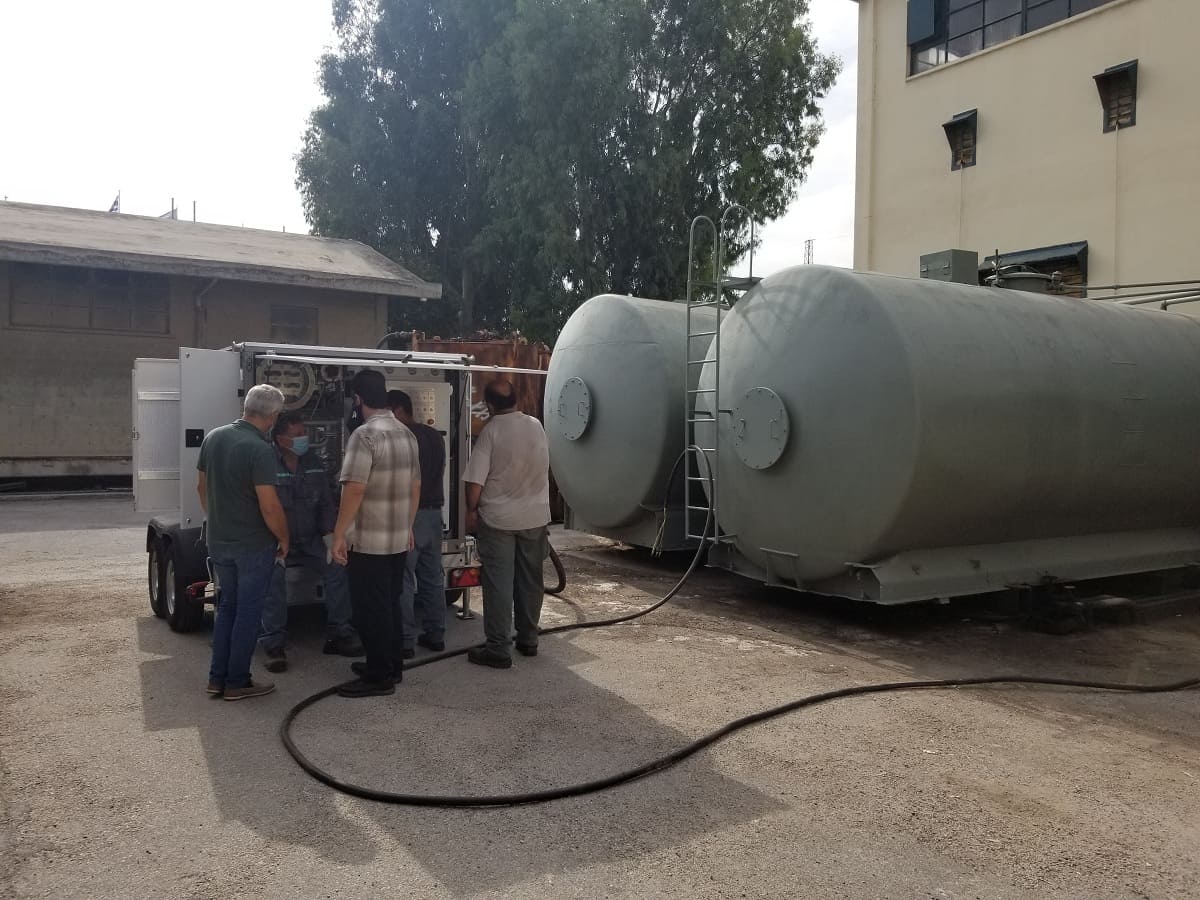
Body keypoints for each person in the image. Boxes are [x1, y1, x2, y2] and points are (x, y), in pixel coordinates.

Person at [330, 369, 421, 698]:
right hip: (397, 539)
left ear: (357, 399)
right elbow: (415, 486)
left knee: (370, 608)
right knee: (390, 604)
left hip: (368, 541)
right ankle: (390, 665)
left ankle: (378, 676)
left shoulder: (364, 435)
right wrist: (408, 526)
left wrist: (339, 534)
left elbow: (354, 489)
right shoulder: (406, 434)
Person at [197, 384, 289, 701]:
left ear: (247, 407)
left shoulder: (213, 438)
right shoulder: (259, 449)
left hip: (219, 543)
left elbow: (201, 488)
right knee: (248, 614)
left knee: (227, 608)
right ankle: (237, 681)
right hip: (252, 546)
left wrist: (220, 519)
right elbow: (270, 506)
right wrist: (284, 538)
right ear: (273, 416)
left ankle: (217, 678)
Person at [259, 412, 364, 673]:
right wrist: (273, 541)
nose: (303, 439)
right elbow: (262, 506)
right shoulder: (266, 463)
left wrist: (330, 536)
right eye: (297, 435)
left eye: (303, 433)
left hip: (310, 539)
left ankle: (339, 632)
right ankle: (274, 645)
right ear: (280, 439)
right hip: (277, 540)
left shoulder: (312, 462)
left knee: (337, 566)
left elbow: (326, 502)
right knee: (272, 578)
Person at [462, 379, 551, 669]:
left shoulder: (492, 431)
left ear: (489, 405)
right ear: (516, 399)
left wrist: (471, 511)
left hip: (498, 521)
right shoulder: (536, 426)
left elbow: (475, 483)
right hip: (535, 517)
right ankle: (528, 639)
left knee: (499, 584)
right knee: (530, 581)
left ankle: (498, 648)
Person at [388, 390, 448, 657]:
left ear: (399, 410)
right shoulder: (435, 436)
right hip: (434, 514)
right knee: (432, 577)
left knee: (403, 578)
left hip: (410, 515)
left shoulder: (402, 438)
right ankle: (436, 634)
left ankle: (405, 640)